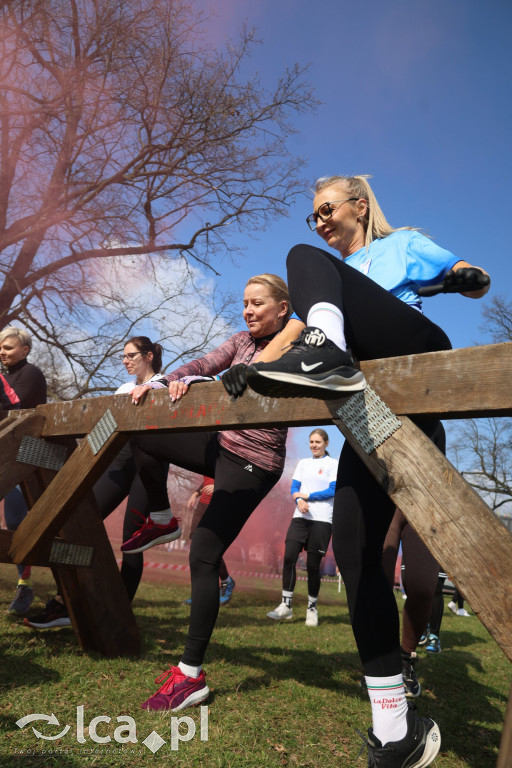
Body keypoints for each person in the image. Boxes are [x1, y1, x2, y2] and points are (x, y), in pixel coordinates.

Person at [244, 175, 490, 766]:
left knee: (301, 261)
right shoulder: (323, 282)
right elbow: (277, 347)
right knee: (353, 554)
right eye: (315, 216)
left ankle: (328, 354)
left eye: (327, 210)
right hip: (368, 407)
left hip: (414, 350)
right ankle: (393, 730)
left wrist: (461, 277)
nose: (322, 222)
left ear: (359, 205)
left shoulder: (399, 244)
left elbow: (462, 272)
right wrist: (242, 372)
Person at [123, 273, 296, 712]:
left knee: (203, 554)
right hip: (220, 446)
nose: (248, 310)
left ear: (282, 308)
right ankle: (161, 518)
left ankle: (190, 675)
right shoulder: (239, 341)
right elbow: (202, 364)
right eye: (245, 302)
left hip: (253, 462)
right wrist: (169, 381)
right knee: (142, 431)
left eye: (258, 303)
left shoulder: (300, 343)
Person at [24, 336, 170, 629]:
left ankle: (119, 614)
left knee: (132, 542)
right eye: (123, 356)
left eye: (131, 355)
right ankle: (64, 604)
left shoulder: (166, 384)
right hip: (117, 464)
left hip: (148, 468)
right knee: (76, 522)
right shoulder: (123, 389)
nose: (125, 361)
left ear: (150, 356)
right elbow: (104, 431)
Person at [267, 428, 337, 627]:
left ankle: (312, 609)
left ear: (326, 443)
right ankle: (286, 606)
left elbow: (332, 490)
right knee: (289, 556)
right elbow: (294, 487)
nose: (314, 445)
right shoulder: (303, 463)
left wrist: (307, 497)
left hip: (322, 520)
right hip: (300, 517)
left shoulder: (333, 464)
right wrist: (298, 501)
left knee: (313, 567)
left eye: (318, 442)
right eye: (311, 442)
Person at [0, 326, 47, 615]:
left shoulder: (32, 375)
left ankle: (24, 584)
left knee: (19, 525)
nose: (2, 352)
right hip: (5, 456)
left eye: (8, 347)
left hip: (27, 460)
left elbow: (14, 406)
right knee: (13, 522)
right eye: (0, 347)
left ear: (25, 350)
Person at [182, 477, 236, 606]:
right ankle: (200, 595)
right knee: (196, 548)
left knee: (210, 550)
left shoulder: (231, 457)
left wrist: (218, 486)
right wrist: (196, 493)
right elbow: (209, 477)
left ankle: (226, 581)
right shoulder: (212, 457)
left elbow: (239, 478)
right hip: (202, 505)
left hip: (219, 504)